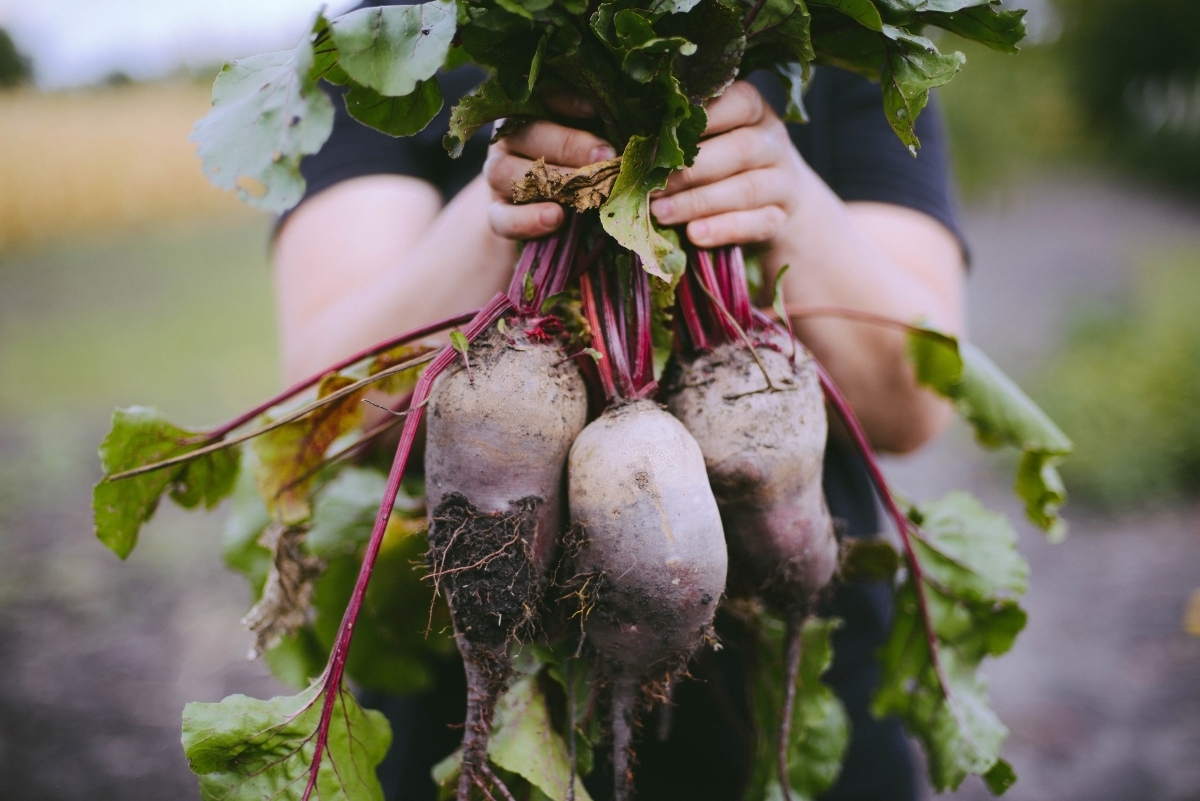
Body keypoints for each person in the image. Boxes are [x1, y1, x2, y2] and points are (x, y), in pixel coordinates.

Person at [273, 4, 966, 798]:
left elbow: (916, 405)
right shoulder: (394, 29)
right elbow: (319, 408)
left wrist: (787, 201)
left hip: (812, 682)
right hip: (448, 723)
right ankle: (483, 721)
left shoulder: (844, 26)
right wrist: (514, 197)